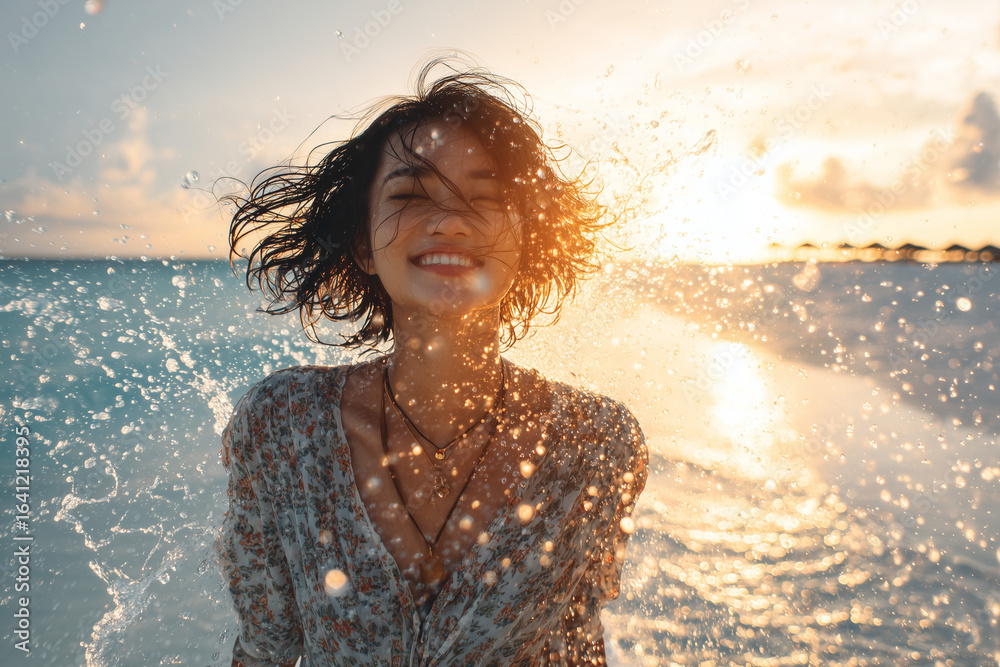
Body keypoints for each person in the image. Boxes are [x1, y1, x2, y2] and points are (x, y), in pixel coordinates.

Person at [215, 58, 648, 667]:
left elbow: (577, 647)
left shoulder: (596, 442)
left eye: (485, 198)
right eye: (411, 194)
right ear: (363, 243)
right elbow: (264, 651)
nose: (448, 221)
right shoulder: (282, 424)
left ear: (527, 238)